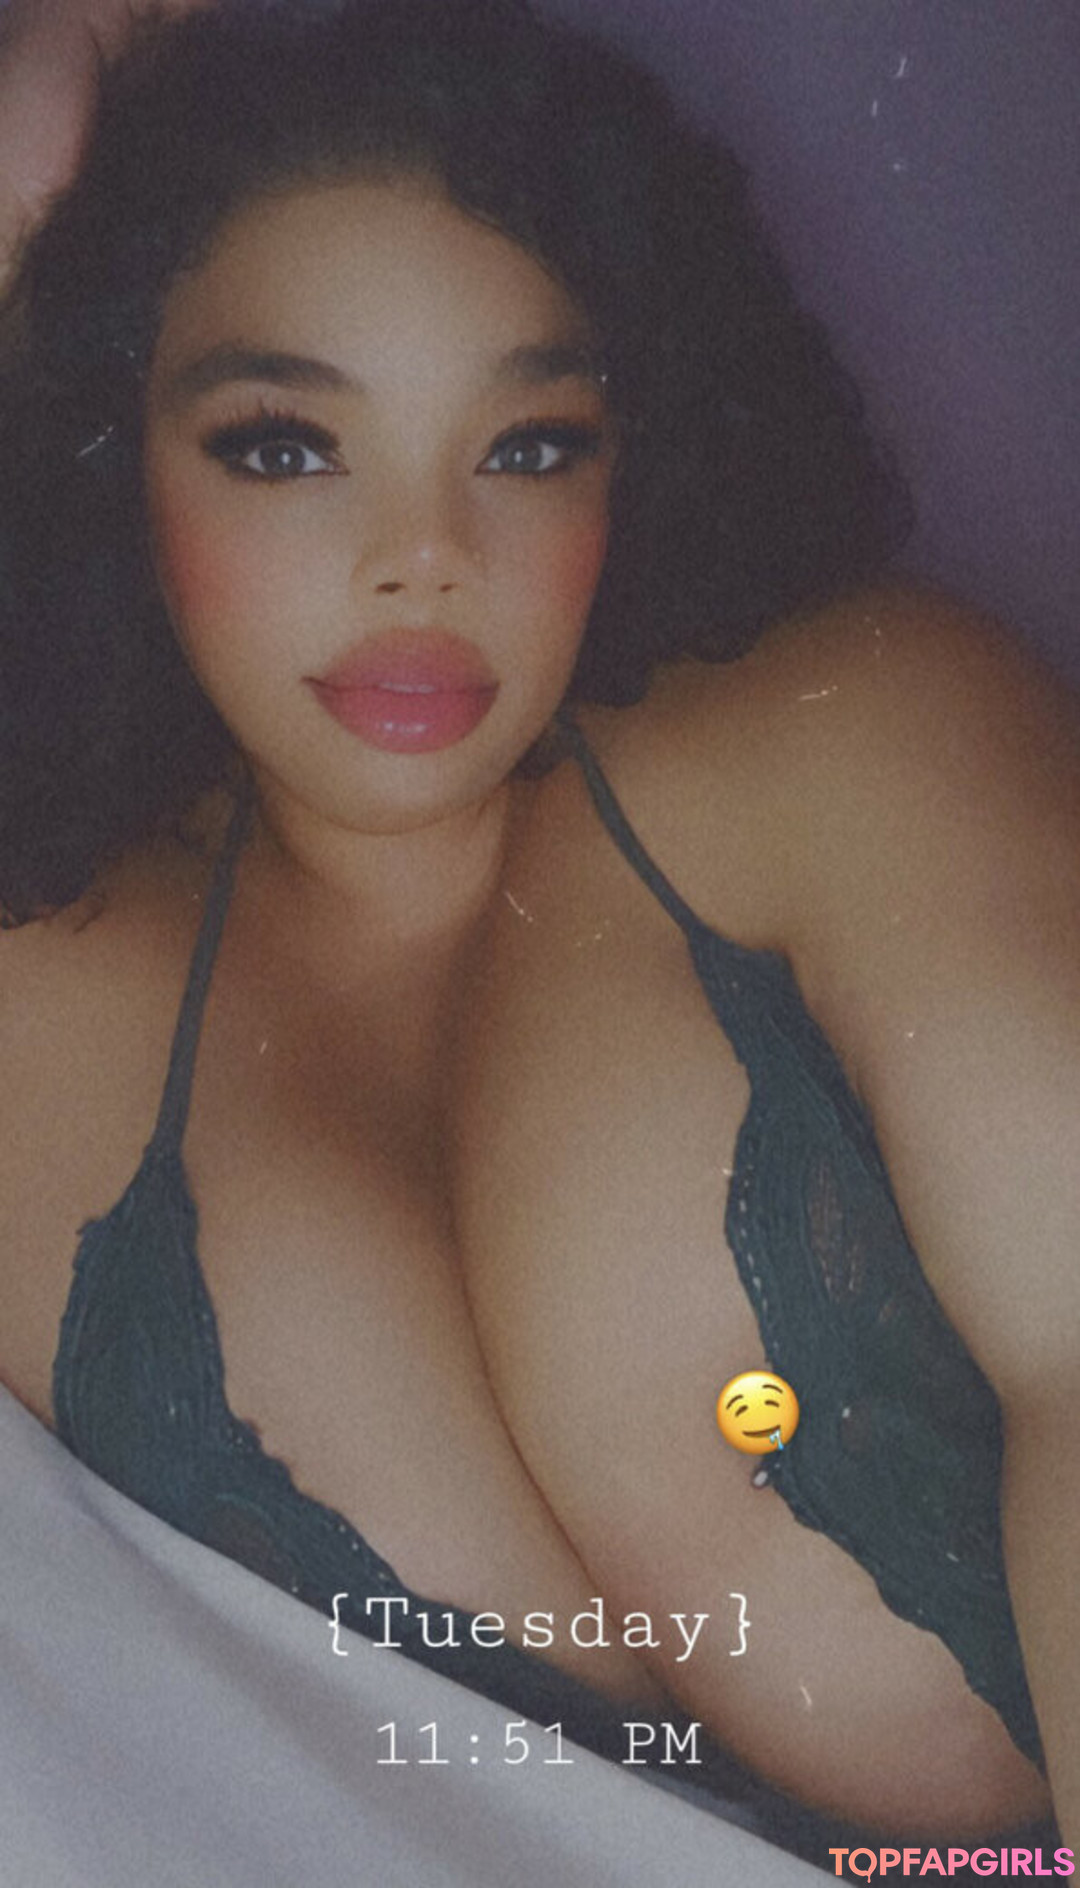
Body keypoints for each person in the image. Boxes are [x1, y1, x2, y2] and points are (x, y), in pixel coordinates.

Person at [0, 0, 1075, 1875]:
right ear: (110, 456)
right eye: (282, 446)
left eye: (527, 446)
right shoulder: (52, 981)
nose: (423, 553)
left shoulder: (844, 734)